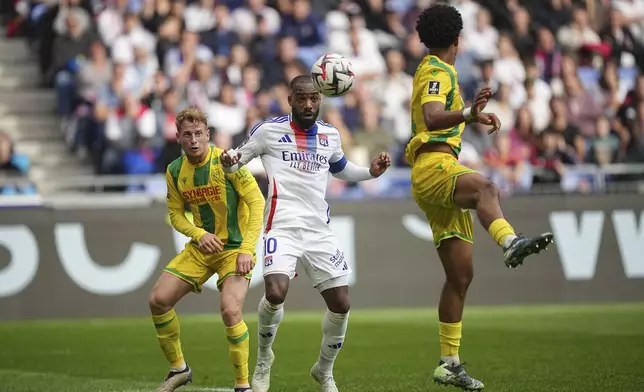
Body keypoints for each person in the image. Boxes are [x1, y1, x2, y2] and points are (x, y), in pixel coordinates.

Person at [408, 4, 554, 390]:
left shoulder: (436, 69)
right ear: (458, 38)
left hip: (434, 170)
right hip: (433, 167)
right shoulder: (437, 70)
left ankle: (448, 363)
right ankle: (510, 241)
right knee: (487, 188)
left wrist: (471, 114)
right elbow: (434, 116)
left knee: (460, 277)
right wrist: (470, 114)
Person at [220, 75, 391, 392]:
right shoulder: (268, 131)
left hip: (318, 229)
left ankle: (323, 371)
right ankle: (264, 360)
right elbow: (234, 162)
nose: (309, 104)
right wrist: (229, 160)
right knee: (275, 292)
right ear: (290, 99)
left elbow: (340, 169)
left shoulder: (330, 135)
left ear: (321, 100)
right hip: (281, 224)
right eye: (302, 98)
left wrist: (370, 172)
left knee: (341, 303)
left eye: (314, 98)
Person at [148, 107, 265, 392]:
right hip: (202, 248)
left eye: (199, 133)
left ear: (208, 135)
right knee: (158, 300)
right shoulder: (175, 171)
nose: (194, 140)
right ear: (178, 138)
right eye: (187, 134)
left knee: (230, 310)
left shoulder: (227, 162)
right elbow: (175, 214)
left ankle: (242, 386)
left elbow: (257, 201)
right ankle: (179, 369)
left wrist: (247, 250)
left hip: (235, 248)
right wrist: (199, 234)